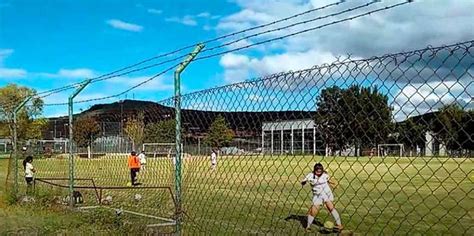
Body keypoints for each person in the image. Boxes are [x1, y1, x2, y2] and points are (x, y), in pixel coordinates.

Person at [301, 163, 343, 231]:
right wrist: (303, 182)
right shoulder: (310, 175)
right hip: (317, 195)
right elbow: (303, 181)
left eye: (320, 171)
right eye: (317, 171)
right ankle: (308, 227)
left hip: (326, 194)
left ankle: (339, 225)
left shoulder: (325, 175)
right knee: (313, 211)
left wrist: (334, 184)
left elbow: (329, 181)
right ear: (314, 170)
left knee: (331, 208)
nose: (319, 173)